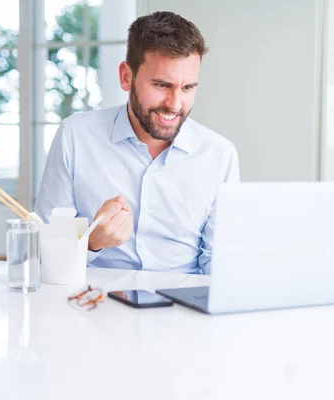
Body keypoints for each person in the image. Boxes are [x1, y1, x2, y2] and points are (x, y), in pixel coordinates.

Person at [34, 11, 239, 274]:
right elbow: (42, 251)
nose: (175, 104)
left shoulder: (219, 155)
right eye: (162, 85)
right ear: (126, 77)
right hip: (95, 305)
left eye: (188, 88)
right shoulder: (76, 136)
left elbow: (219, 266)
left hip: (183, 309)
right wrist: (90, 242)